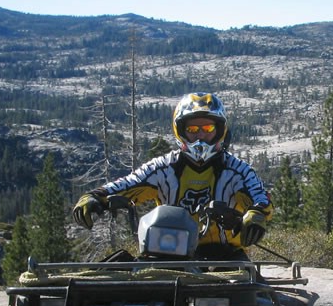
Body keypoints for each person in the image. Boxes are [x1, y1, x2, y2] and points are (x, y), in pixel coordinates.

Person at [72, 92, 273, 259]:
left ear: (220, 130)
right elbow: (129, 183)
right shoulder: (163, 167)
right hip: (167, 252)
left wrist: (256, 215)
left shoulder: (238, 170)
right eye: (193, 129)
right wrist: (95, 196)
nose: (200, 136)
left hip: (223, 256)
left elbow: (260, 198)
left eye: (208, 129)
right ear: (181, 131)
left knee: (250, 301)